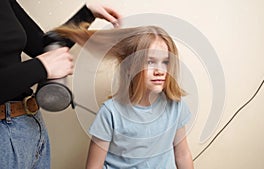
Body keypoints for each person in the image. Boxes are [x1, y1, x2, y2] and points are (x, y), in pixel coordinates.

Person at [0, 0, 121, 168]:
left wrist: (87, 14)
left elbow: (42, 46)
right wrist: (41, 67)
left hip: (29, 125)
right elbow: (43, 61)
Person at [53, 24, 194, 168]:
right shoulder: (110, 113)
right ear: (130, 67)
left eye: (165, 62)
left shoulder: (175, 105)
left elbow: (183, 155)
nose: (160, 71)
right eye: (150, 62)